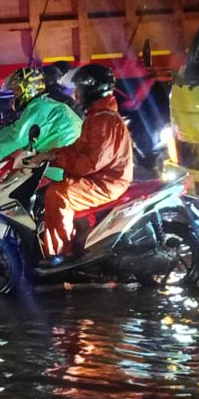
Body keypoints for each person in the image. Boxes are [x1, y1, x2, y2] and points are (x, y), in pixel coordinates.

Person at [29, 64, 133, 264]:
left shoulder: (104, 120)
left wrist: (56, 159)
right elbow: (77, 149)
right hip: (99, 178)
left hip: (107, 182)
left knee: (58, 194)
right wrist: (51, 154)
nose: (75, 94)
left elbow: (88, 164)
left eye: (79, 89)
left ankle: (60, 255)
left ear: (91, 89)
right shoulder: (97, 117)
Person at [0, 68, 82, 166]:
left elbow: (19, 138)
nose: (15, 95)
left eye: (17, 90)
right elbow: (18, 127)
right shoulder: (43, 103)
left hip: (58, 165)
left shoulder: (39, 106)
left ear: (30, 88)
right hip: (63, 159)